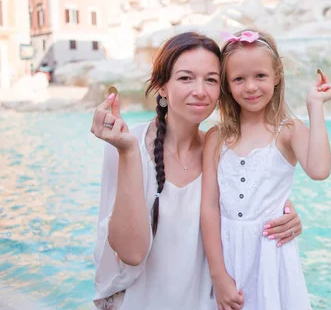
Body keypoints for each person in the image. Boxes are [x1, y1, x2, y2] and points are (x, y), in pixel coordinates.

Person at [90, 32, 303, 309]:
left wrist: (285, 216)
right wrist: (128, 152)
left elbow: (251, 203)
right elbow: (131, 253)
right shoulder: (126, 144)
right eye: (185, 78)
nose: (200, 91)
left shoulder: (225, 152)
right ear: (162, 87)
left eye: (211, 80)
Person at [201, 30, 331, 310]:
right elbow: (209, 207)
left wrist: (315, 106)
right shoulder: (216, 136)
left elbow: (319, 170)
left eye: (260, 76)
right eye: (239, 79)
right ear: (227, 84)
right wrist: (218, 274)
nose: (250, 87)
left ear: (276, 77)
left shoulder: (288, 131)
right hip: (225, 253)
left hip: (271, 255)